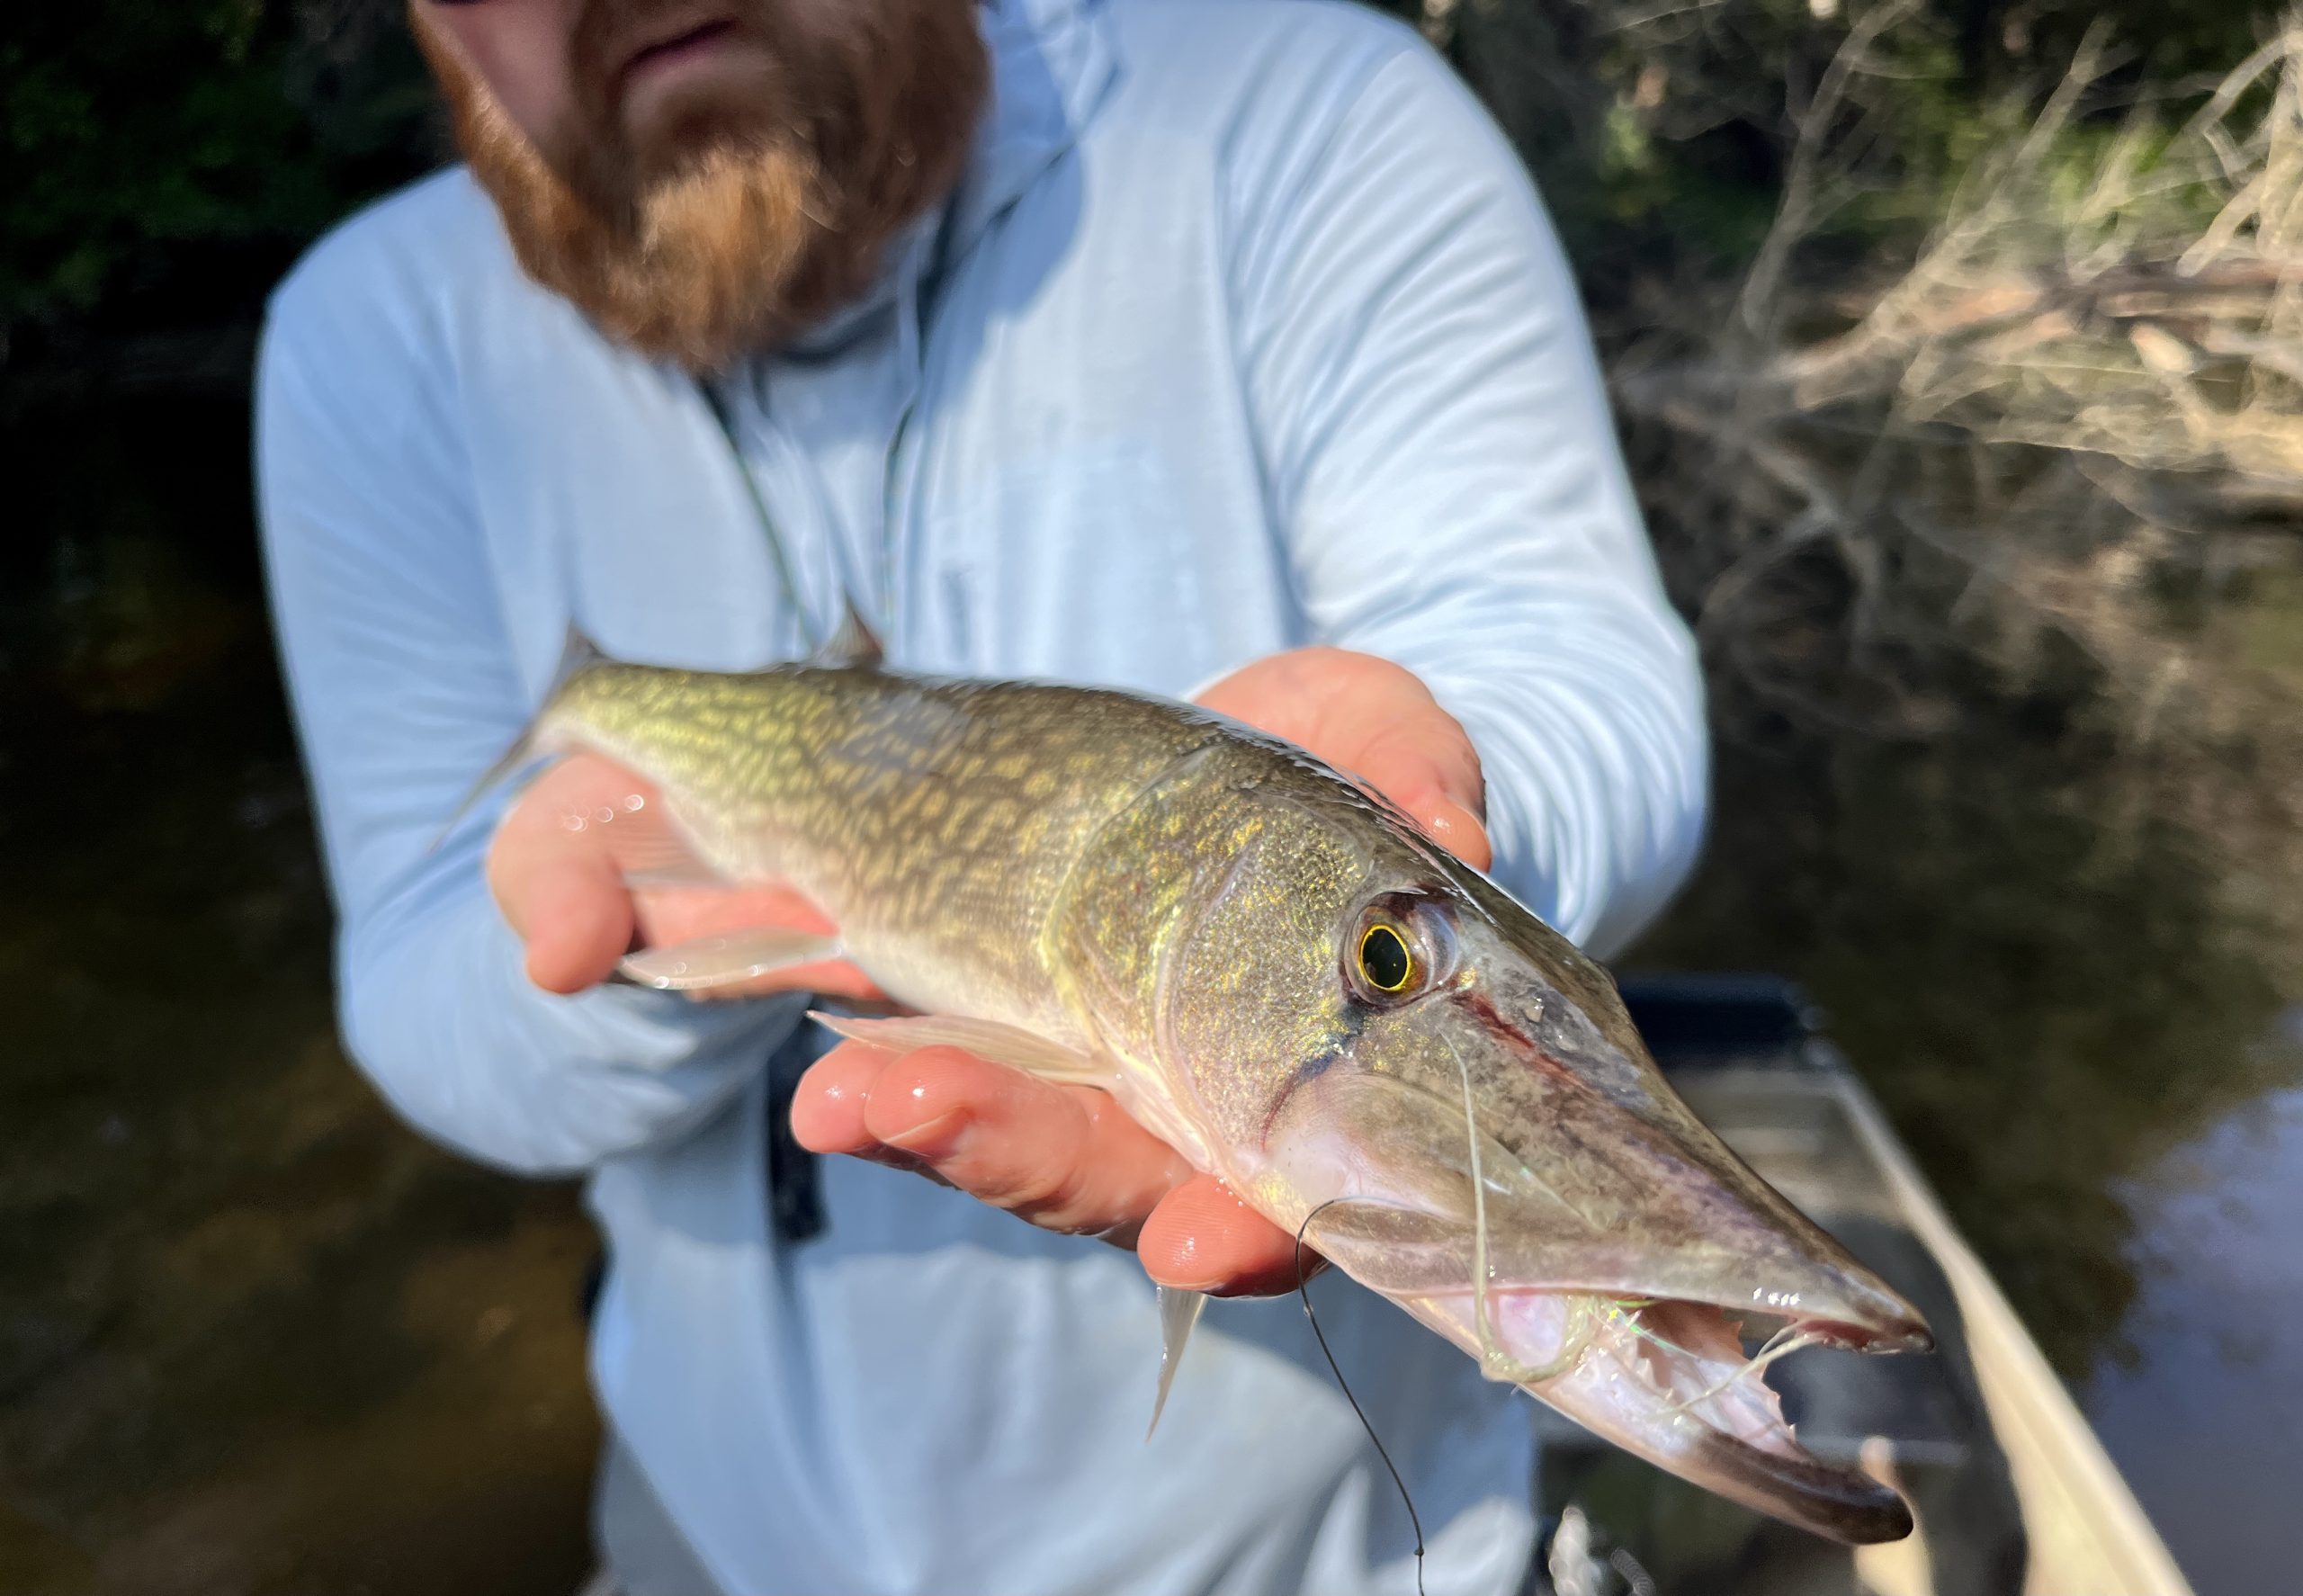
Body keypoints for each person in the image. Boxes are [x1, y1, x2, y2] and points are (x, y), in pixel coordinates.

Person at [255, 0, 1707, 1590]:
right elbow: (414, 983)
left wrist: (1426, 832)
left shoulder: (1300, 105)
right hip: (713, 1536)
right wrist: (687, 948)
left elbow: (1567, 660)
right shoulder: (367, 335)